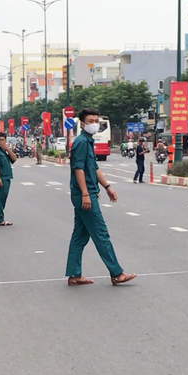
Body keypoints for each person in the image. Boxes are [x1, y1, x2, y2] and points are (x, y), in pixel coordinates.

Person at [66, 108, 136, 286]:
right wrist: (85, 194)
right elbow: (78, 169)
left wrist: (107, 186)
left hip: (88, 192)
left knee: (79, 236)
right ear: (82, 123)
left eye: (96, 120)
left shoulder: (88, 141)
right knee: (101, 234)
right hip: (85, 194)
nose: (94, 124)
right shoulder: (81, 142)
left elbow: (94, 167)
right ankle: (116, 273)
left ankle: (74, 275)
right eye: (90, 121)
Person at [0, 132, 17, 226]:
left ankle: (0, 218)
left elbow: (14, 159)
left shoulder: (4, 150)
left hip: (7, 177)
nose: (1, 142)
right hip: (0, 178)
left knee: (3, 198)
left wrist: (8, 149)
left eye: (3, 140)